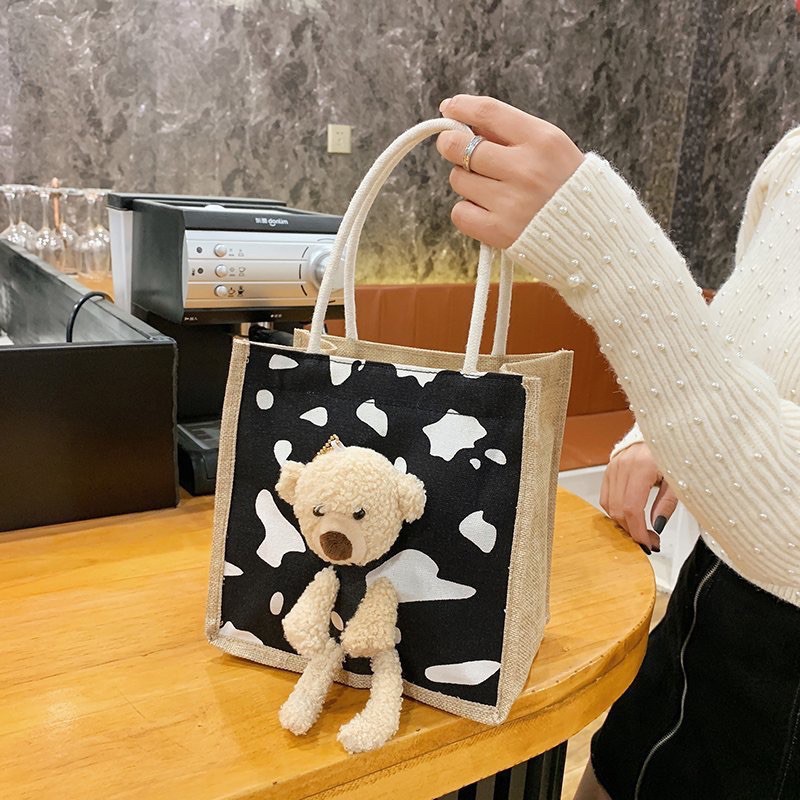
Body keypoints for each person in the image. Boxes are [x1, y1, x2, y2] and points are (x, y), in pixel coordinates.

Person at [436, 94, 800, 799]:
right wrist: (660, 435)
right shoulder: (793, 157)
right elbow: (746, 334)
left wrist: (601, 247)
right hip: (707, 595)